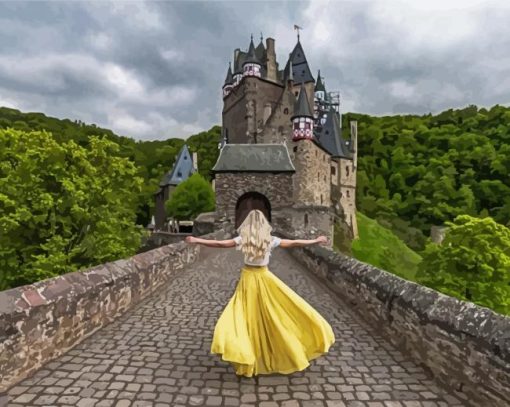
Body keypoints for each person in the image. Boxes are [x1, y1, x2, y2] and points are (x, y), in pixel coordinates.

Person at [185, 209, 335, 377]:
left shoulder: (243, 239)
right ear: (264, 225)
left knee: (246, 316)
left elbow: (220, 244)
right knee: (272, 313)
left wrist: (196, 239)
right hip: (264, 278)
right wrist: (315, 240)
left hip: (248, 280)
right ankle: (272, 349)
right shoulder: (269, 240)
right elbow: (294, 243)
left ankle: (246, 352)